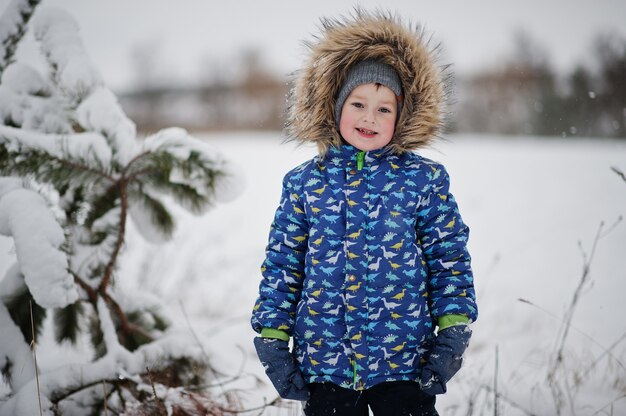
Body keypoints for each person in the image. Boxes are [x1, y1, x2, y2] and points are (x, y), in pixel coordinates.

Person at [251, 10, 478, 416]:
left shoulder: (423, 181)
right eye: (358, 104)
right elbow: (284, 264)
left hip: (405, 361)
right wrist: (272, 333)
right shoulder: (305, 183)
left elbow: (449, 259)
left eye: (384, 109)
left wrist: (453, 329)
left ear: (403, 116)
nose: (369, 117)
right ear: (335, 105)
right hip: (325, 362)